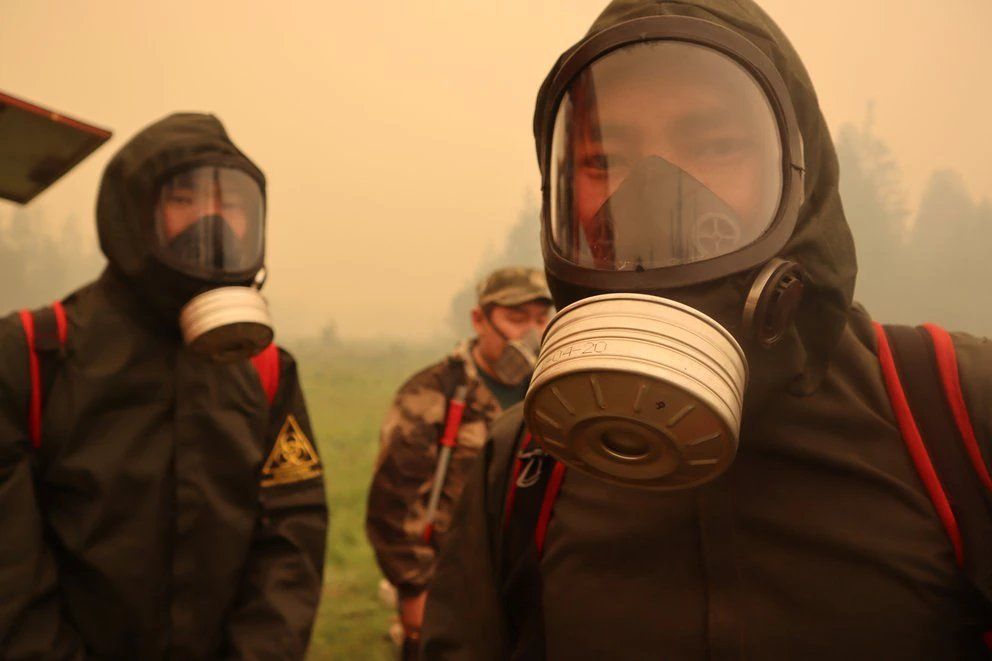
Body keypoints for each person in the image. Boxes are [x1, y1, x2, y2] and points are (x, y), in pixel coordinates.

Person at [421, 1, 992, 658]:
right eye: (603, 156)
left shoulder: (954, 415)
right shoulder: (526, 463)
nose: (653, 194)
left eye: (716, 146)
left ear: (798, 176)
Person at [0, 113, 328, 659]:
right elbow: (10, 571)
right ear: (133, 213)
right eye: (184, 199)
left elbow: (291, 538)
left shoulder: (265, 369)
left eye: (231, 205)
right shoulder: (34, 354)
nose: (212, 220)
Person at [366, 266, 552, 656]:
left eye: (540, 318)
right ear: (479, 320)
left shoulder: (553, 394)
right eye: (516, 319)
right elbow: (393, 504)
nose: (531, 333)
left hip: (537, 588)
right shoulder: (433, 394)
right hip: (453, 589)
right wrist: (414, 589)